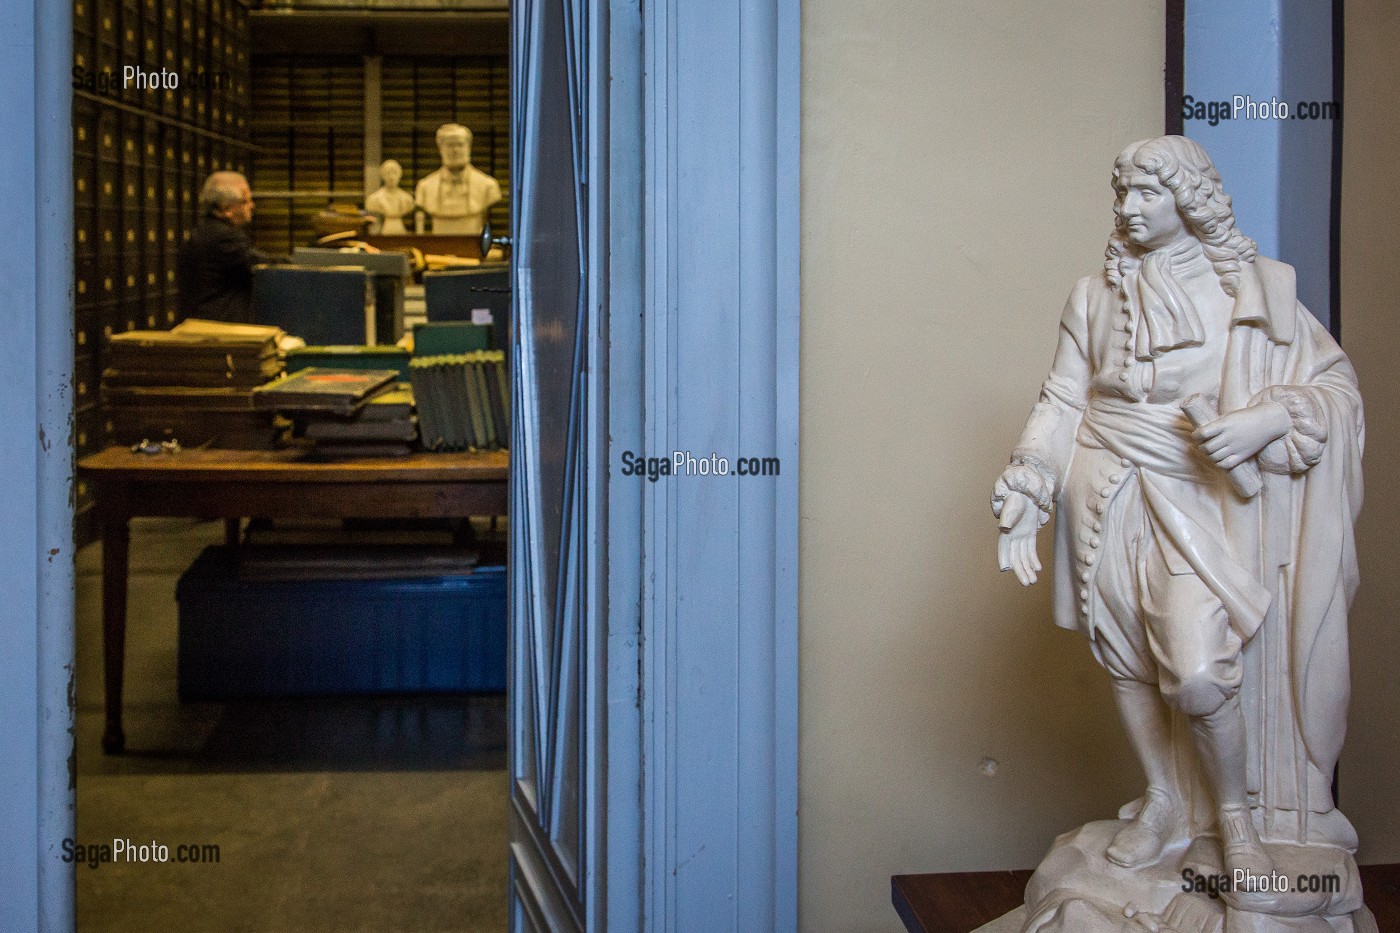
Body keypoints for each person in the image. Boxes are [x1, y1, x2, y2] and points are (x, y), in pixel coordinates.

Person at [992, 137, 1363, 887]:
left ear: (1188, 198)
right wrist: (1030, 479)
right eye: (1121, 194)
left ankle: (1233, 817)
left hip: (1197, 495)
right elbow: (1065, 398)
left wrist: (1267, 419)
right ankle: (1164, 797)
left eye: (1146, 194)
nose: (1128, 210)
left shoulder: (1252, 290)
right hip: (1103, 484)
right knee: (1125, 652)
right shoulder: (1093, 296)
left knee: (1196, 669)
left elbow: (1335, 389)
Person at [176, 171, 274, 324]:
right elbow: (264, 266)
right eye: (246, 200)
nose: (252, 205)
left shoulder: (204, 231)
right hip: (218, 332)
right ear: (226, 208)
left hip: (199, 324)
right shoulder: (225, 239)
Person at [413, 123, 502, 235]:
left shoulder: (488, 185)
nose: (455, 151)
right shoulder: (425, 186)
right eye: (449, 145)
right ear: (440, 149)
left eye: (460, 145)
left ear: (469, 147)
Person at [365, 159, 415, 235]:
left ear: (400, 175)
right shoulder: (373, 199)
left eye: (395, 173)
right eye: (388, 173)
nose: (391, 177)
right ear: (382, 176)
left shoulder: (407, 199)